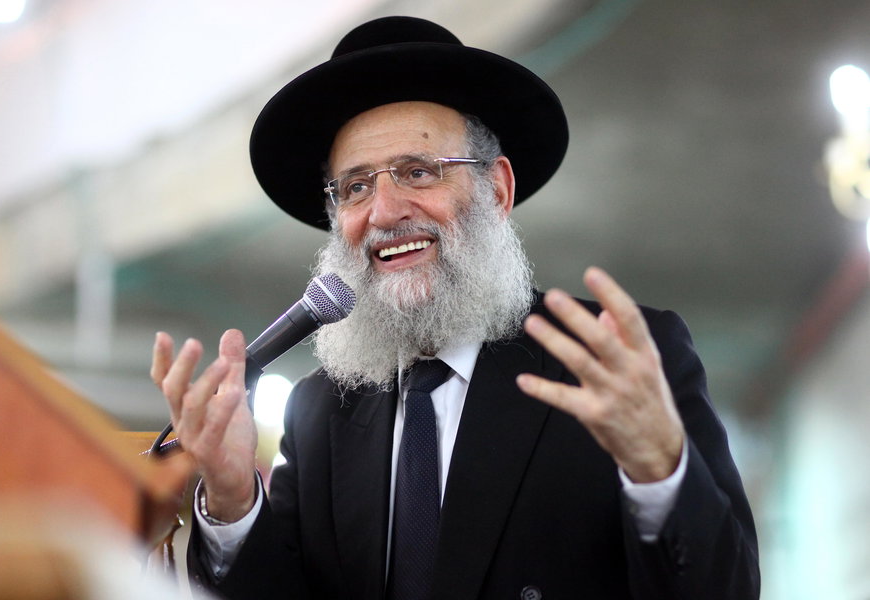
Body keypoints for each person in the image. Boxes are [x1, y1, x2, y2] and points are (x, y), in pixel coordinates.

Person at [150, 16, 760, 600]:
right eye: (356, 186)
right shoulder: (320, 412)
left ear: (497, 190)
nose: (384, 211)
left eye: (418, 172)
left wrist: (660, 472)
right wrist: (231, 500)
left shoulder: (614, 363)